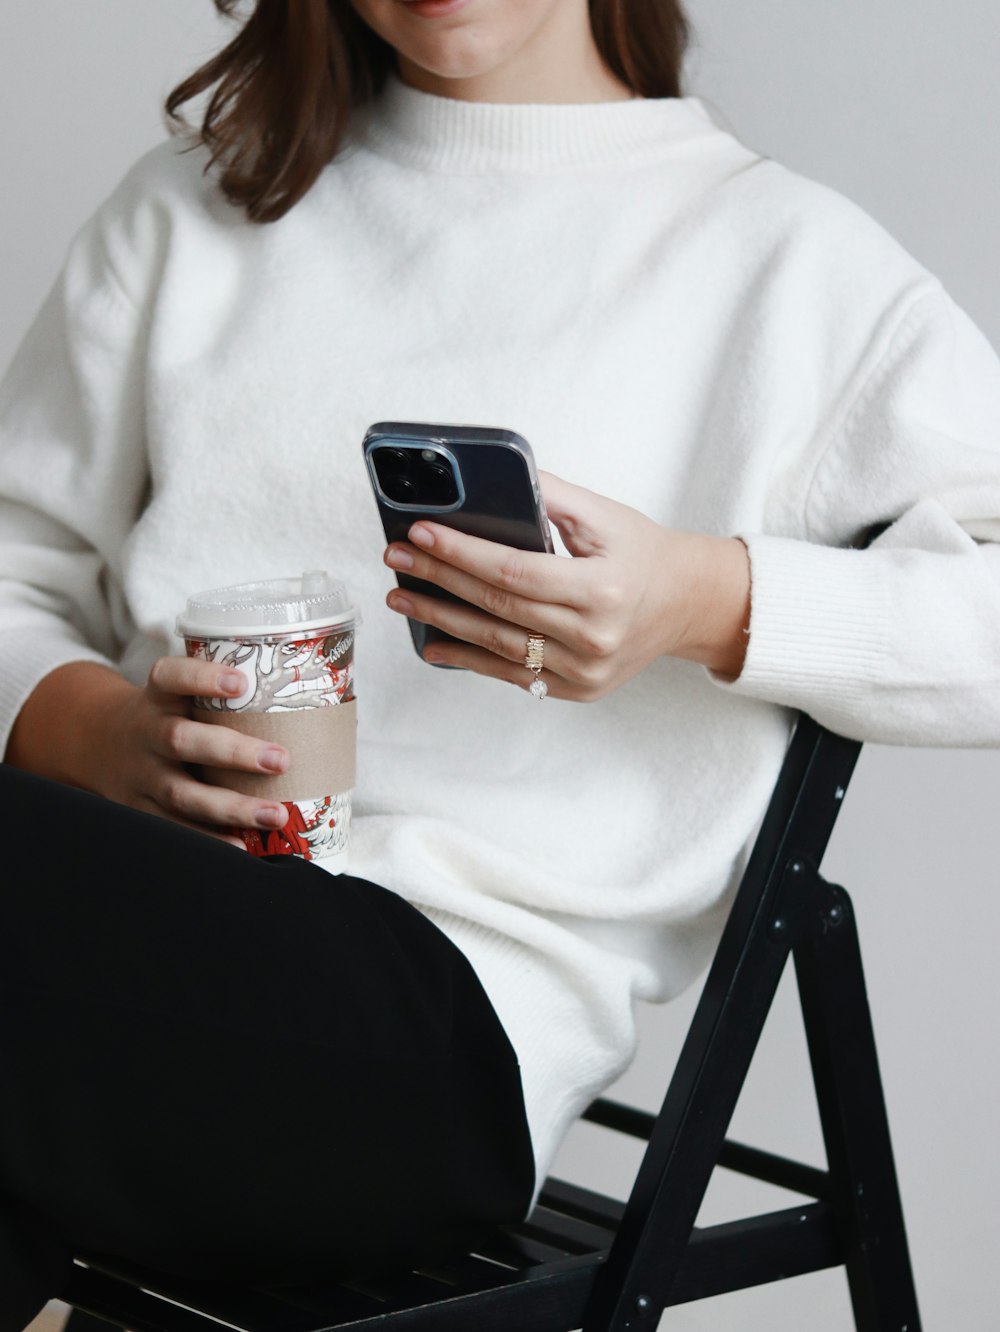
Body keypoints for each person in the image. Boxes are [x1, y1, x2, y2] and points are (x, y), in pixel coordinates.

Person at [2, 0, 999, 1325]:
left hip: (429, 1041)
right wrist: (95, 733)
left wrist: (699, 598)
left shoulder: (787, 268)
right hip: (115, 954)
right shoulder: (197, 212)